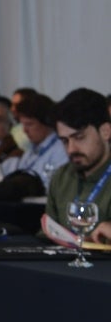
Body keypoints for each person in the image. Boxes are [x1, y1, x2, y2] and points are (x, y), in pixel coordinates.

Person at [45, 88, 111, 242]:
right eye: (65, 140)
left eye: (79, 137)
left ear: (106, 131)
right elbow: (49, 234)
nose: (71, 149)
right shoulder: (61, 178)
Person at [0, 93, 67, 190]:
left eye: (29, 124)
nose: (24, 130)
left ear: (47, 122)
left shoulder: (61, 150)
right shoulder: (31, 150)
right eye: (23, 125)